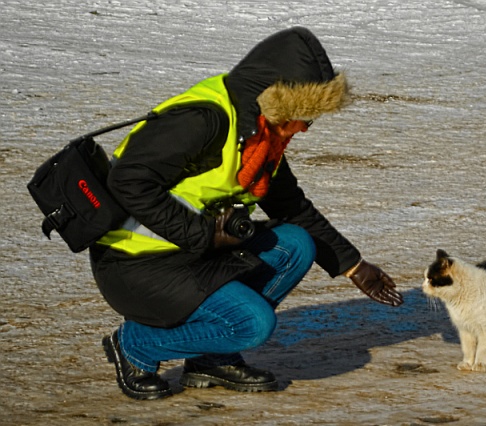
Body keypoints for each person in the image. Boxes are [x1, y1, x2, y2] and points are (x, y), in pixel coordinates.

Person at [90, 26, 403, 401]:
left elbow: (292, 207)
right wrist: (203, 234)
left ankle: (211, 359)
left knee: (296, 244)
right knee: (253, 324)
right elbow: (127, 181)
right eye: (302, 115)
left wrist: (354, 265)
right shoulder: (204, 121)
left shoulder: (261, 136)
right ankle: (136, 345)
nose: (304, 128)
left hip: (192, 255)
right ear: (276, 99)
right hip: (134, 265)